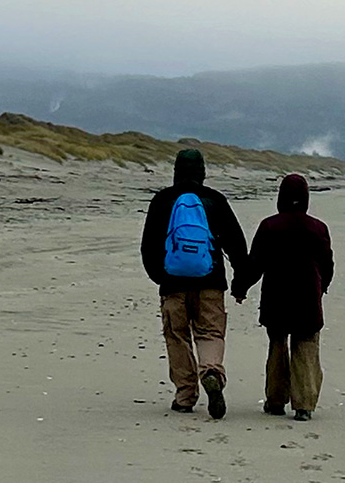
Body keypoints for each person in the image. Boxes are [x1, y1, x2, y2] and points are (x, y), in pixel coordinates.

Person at [140, 149, 248, 419]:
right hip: (210, 282)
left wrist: (161, 278)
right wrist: (240, 284)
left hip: (173, 283)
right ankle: (211, 371)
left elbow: (148, 247)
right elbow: (236, 244)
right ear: (203, 172)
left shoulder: (162, 200)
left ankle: (185, 395)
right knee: (210, 333)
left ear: (176, 171)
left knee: (177, 336)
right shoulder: (215, 200)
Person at [232, 174, 334, 422]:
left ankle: (276, 400)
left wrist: (240, 288)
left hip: (276, 296)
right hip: (307, 297)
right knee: (306, 346)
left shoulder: (269, 226)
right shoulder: (318, 228)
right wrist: (322, 287)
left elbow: (255, 264)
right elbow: (327, 265)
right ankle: (304, 404)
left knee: (277, 346)